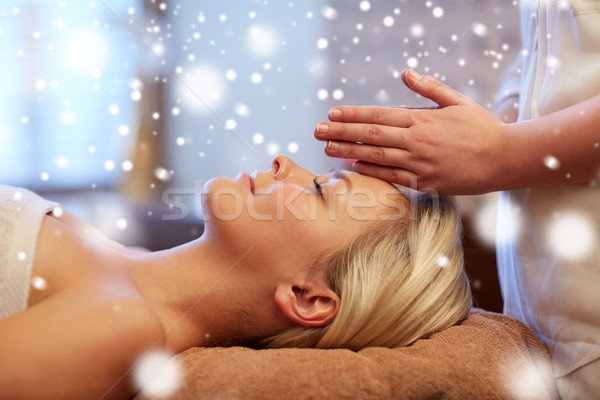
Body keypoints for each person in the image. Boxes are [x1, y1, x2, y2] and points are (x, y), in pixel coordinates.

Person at [0, 155, 471, 399]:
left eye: (320, 189)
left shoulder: (121, 325)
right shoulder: (120, 263)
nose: (285, 163)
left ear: (307, 298)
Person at [313, 2, 600, 398]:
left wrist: (502, 153)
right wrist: (470, 135)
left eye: (318, 190)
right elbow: (546, 63)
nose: (279, 163)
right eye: (319, 187)